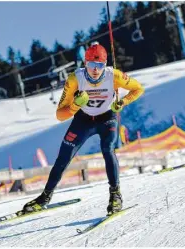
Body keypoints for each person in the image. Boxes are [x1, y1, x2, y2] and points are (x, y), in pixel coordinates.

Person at [22, 43, 144, 215]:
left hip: (106, 118)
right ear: (84, 63)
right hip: (83, 120)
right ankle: (44, 198)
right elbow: (60, 114)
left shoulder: (114, 76)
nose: (95, 70)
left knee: (108, 149)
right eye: (91, 65)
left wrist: (122, 102)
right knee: (63, 157)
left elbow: (138, 88)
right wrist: (74, 106)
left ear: (105, 64)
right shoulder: (74, 79)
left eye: (100, 65)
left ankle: (115, 195)